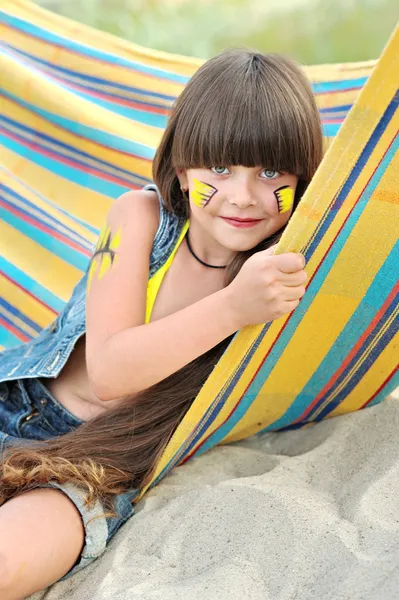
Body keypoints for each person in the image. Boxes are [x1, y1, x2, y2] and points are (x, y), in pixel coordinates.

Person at [0, 49, 322, 596]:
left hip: (102, 461)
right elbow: (109, 372)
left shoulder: (290, 272)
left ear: (302, 177)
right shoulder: (140, 218)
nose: (242, 196)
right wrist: (232, 308)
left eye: (271, 171)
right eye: (219, 169)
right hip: (21, 402)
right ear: (182, 169)